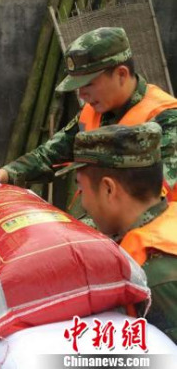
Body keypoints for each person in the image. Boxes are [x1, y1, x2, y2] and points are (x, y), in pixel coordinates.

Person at [0, 27, 177, 202]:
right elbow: (50, 154)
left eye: (88, 84)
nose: (82, 95)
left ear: (121, 74)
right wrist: (5, 173)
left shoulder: (167, 118)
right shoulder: (93, 111)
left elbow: (150, 200)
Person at [56, 122, 177, 343]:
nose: (83, 203)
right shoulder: (169, 219)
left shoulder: (152, 277)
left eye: (82, 190)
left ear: (108, 189)